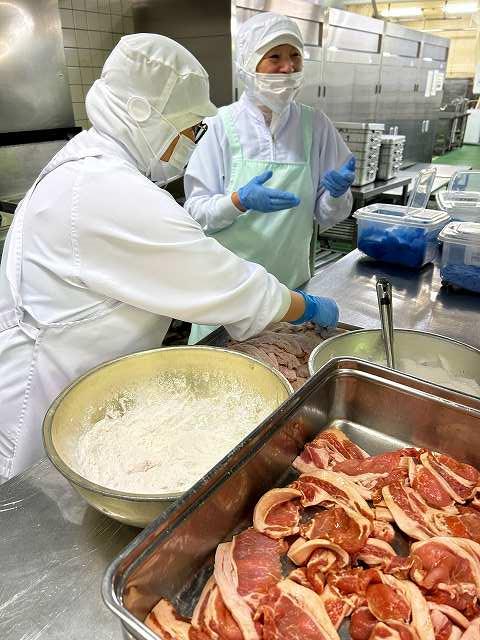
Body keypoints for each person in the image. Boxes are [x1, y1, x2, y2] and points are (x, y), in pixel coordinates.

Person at [0, 34, 340, 483]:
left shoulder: (92, 164)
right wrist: (305, 307)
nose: (190, 142)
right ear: (143, 115)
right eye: (189, 129)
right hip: (41, 404)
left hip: (81, 386)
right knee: (42, 504)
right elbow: (219, 278)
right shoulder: (103, 186)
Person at [184, 12, 355, 344]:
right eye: (274, 57)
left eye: (295, 56)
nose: (287, 67)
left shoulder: (315, 125)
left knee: (286, 369)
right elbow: (195, 215)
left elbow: (327, 216)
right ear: (249, 63)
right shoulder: (219, 126)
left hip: (294, 297)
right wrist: (238, 201)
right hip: (228, 297)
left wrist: (336, 195)